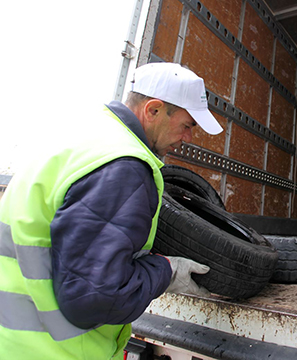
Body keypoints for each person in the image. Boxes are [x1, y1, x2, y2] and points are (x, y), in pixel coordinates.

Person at [0, 62, 224, 359]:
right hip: (54, 350)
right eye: (186, 125)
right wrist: (166, 271)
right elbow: (94, 298)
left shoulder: (85, 137)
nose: (189, 138)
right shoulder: (122, 165)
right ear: (153, 110)